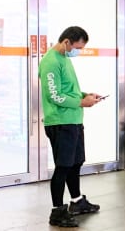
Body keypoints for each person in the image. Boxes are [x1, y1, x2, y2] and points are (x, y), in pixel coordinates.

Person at [39, 26, 102, 227]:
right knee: (63, 166)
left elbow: (68, 90)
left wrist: (85, 95)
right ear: (66, 42)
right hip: (60, 122)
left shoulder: (65, 59)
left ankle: (76, 201)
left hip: (73, 120)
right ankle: (57, 211)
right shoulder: (50, 62)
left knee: (75, 163)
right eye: (78, 47)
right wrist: (81, 102)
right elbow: (54, 95)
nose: (79, 51)